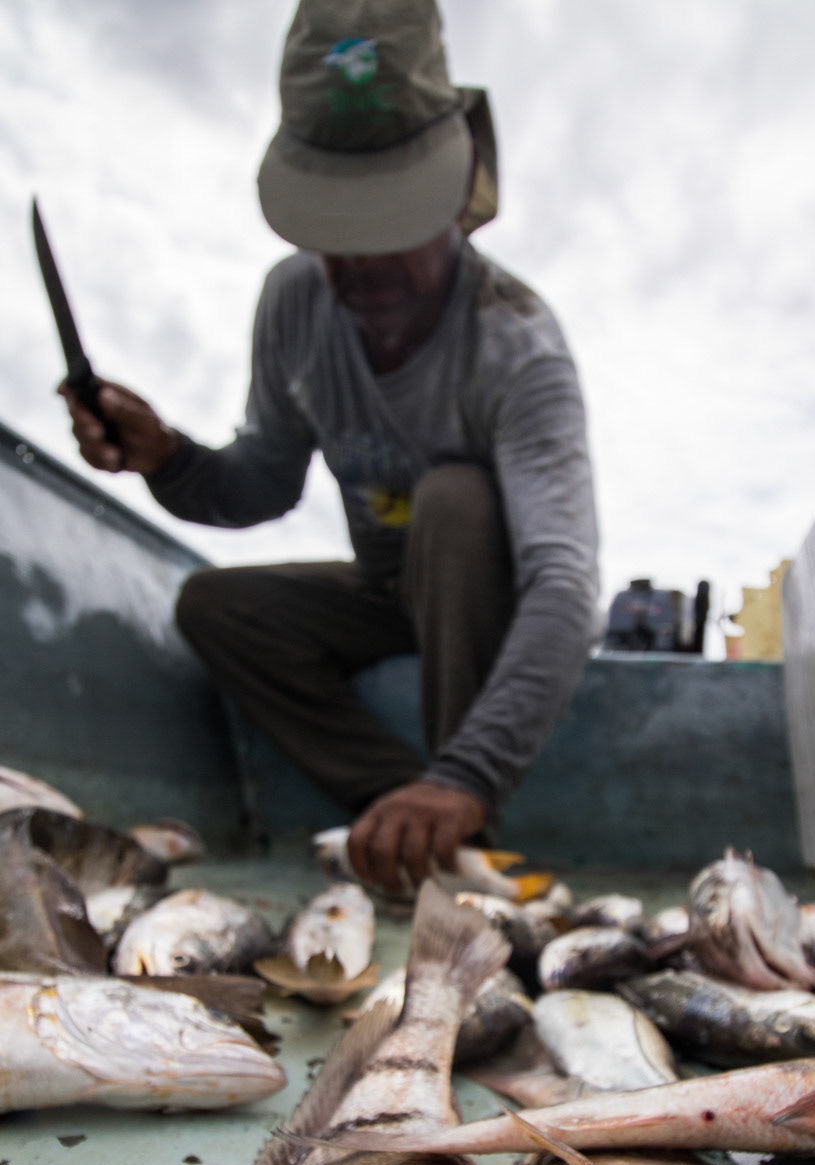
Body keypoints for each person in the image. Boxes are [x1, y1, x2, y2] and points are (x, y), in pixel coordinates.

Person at [62, 0, 599, 894]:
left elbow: (563, 582)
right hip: (387, 586)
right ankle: (408, 814)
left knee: (456, 499)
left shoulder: (518, 345)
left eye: (390, 228)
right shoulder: (295, 303)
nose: (360, 271)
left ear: (458, 192)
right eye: (335, 235)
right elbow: (261, 486)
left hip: (483, 599)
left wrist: (466, 773)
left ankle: (462, 804)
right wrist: (168, 458)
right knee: (215, 607)